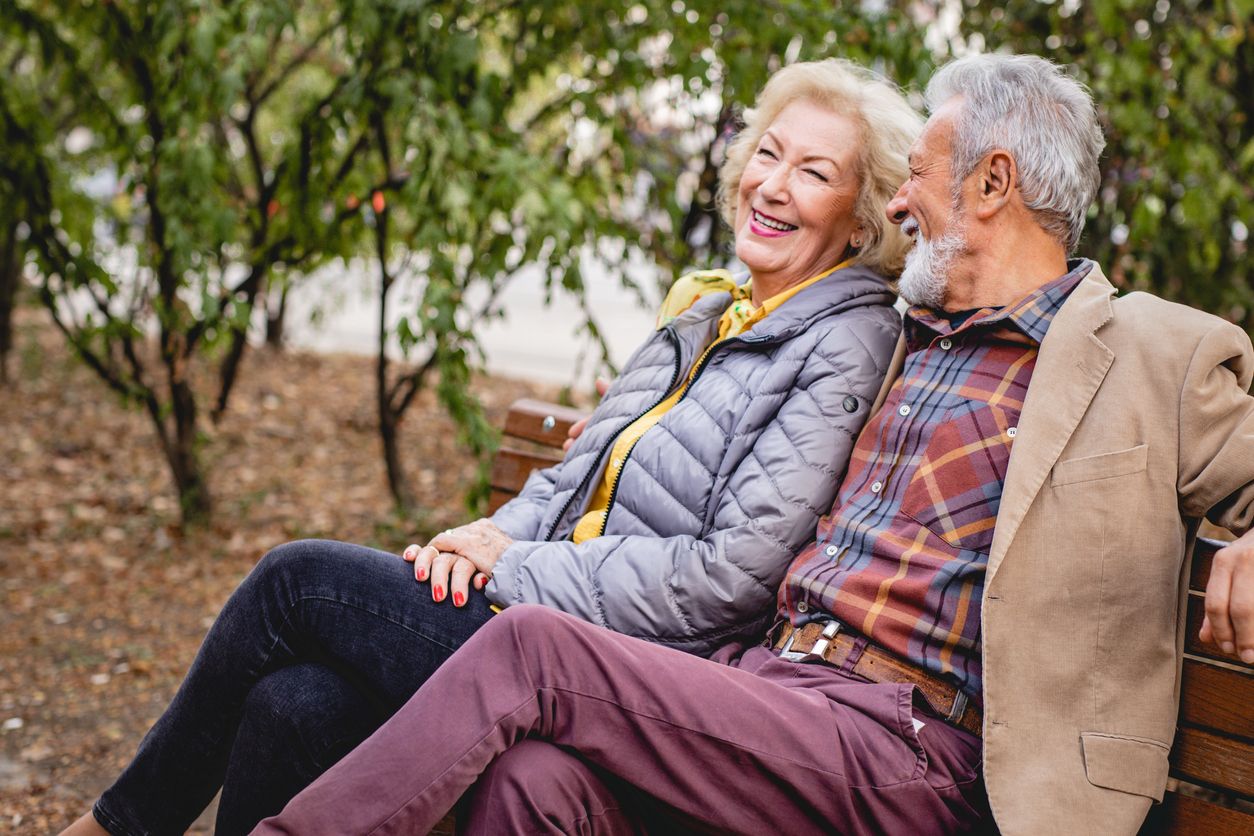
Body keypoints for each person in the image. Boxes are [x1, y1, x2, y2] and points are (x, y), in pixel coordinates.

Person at [253, 53, 1254, 836]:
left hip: (920, 752)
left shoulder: (1154, 354)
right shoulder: (899, 338)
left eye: (918, 177)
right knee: (535, 782)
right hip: (775, 695)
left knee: (533, 650)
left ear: (994, 182)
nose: (899, 205)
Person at [64, 59, 922, 836]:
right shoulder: (708, 318)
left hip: (627, 668)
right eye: (767, 155)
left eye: (813, 173)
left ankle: (114, 830)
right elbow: (569, 480)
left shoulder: (844, 343)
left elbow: (731, 576)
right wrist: (478, 544)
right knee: (294, 705)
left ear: (858, 220)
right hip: (532, 614)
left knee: (294, 584)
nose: (772, 185)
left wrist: (508, 569)